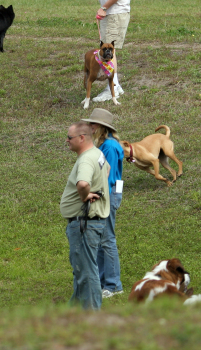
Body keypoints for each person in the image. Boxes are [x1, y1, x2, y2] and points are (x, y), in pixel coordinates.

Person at [61, 121, 110, 310]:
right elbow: (107, 170)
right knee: (82, 270)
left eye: (69, 137)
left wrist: (85, 195)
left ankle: (92, 317)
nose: (67, 140)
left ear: (82, 138)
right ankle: (73, 314)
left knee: (87, 272)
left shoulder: (86, 160)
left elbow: (82, 183)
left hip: (84, 223)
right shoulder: (97, 154)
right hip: (91, 222)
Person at [82, 109, 124, 299]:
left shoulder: (110, 147)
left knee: (107, 240)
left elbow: (107, 175)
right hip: (105, 193)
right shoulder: (106, 145)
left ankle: (114, 285)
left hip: (107, 194)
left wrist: (96, 195)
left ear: (101, 127)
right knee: (101, 241)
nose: (89, 127)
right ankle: (102, 282)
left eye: (92, 124)